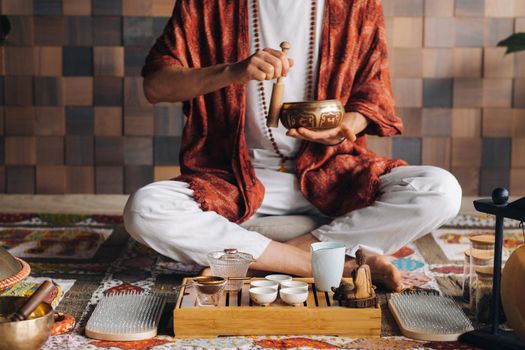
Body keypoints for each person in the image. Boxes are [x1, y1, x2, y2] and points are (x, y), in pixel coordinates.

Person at [123, 0, 462, 291]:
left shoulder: (355, 4)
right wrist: (232, 71)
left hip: (332, 175)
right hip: (232, 181)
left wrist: (348, 126)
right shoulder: (208, 4)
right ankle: (338, 263)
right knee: (145, 210)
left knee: (441, 190)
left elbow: (373, 95)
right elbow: (156, 86)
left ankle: (259, 262)